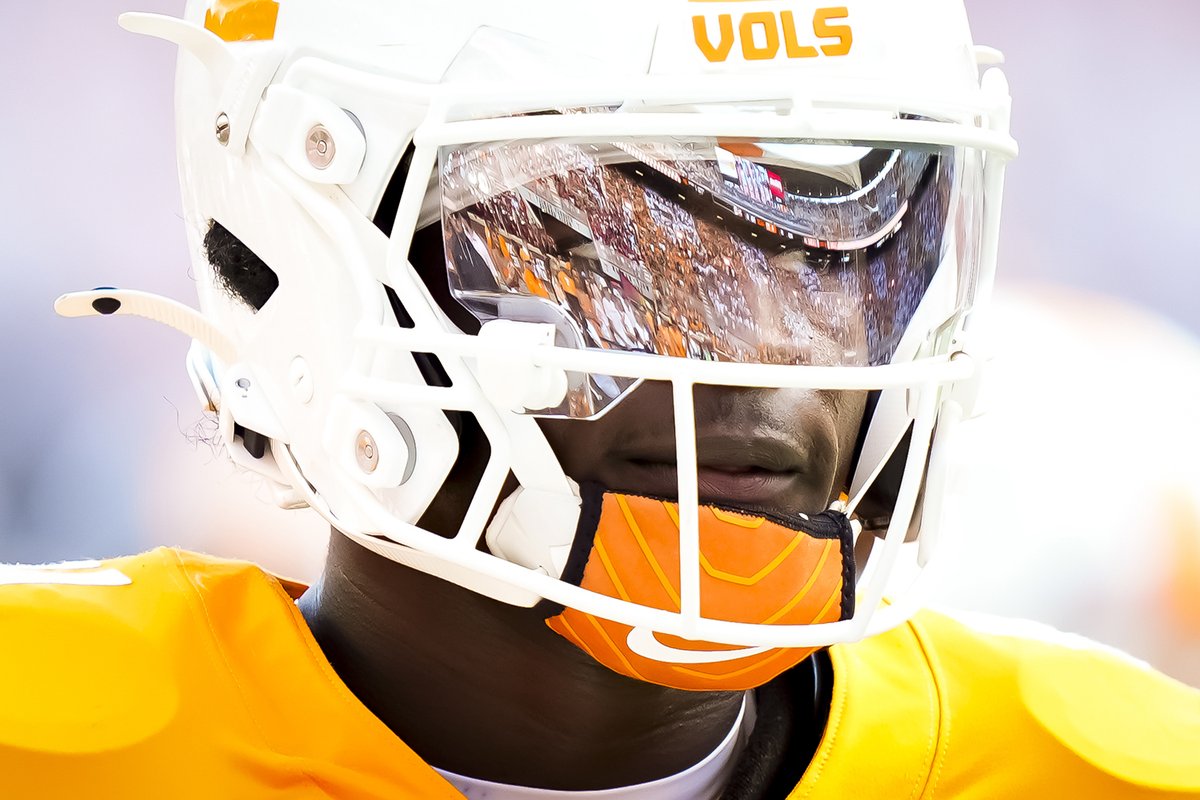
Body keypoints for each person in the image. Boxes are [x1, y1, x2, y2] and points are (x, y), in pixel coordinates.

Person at [6, 0, 1200, 797]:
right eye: (604, 253)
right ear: (309, 259)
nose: (768, 363)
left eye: (840, 251)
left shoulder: (1110, 764)